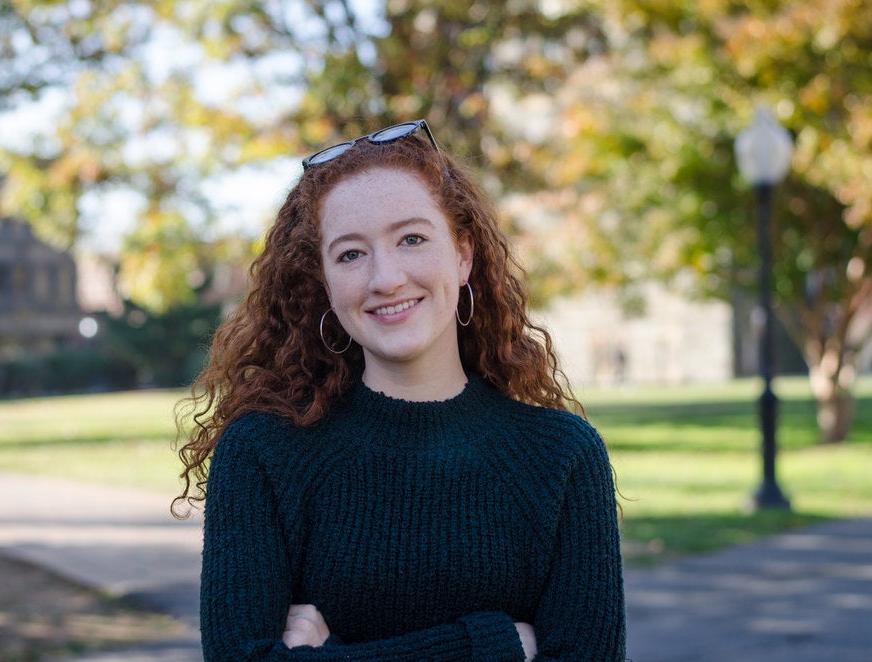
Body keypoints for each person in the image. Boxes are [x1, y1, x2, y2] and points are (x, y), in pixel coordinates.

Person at [175, 119, 626, 660]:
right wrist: (490, 646)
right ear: (324, 279)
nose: (385, 278)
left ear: (464, 255)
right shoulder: (263, 452)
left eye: (411, 239)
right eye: (350, 254)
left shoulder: (563, 457)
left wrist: (328, 655)